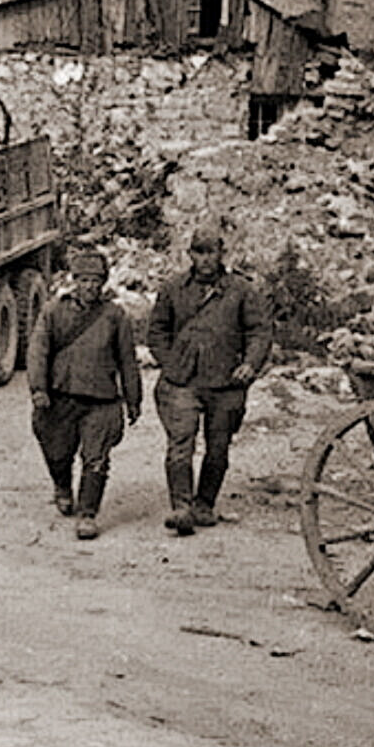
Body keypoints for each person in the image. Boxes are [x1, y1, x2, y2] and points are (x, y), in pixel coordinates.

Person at [147, 224, 272, 536]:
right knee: (180, 444)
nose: (205, 259)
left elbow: (259, 331)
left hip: (226, 381)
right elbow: (157, 330)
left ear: (221, 254)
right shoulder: (173, 288)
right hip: (183, 381)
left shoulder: (241, 290)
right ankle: (181, 507)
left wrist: (250, 364)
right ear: (190, 254)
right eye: (199, 252)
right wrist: (171, 362)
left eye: (211, 252)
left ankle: (204, 504)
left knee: (218, 447)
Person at [25, 247, 144, 540]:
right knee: (57, 452)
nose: (90, 286)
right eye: (84, 280)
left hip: (101, 400)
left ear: (103, 282)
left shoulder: (114, 316)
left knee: (96, 459)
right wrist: (38, 389)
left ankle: (88, 513)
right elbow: (38, 351)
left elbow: (127, 360)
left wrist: (133, 399)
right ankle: (62, 486)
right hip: (61, 397)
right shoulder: (54, 311)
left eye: (96, 281)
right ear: (74, 280)